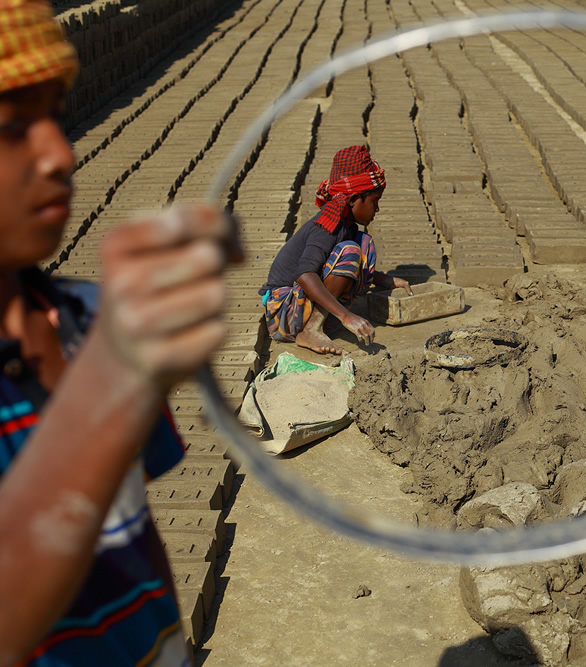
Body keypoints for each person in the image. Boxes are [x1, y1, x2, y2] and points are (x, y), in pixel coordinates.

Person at [0, 1, 241, 663]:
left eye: (53, 113)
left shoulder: (83, 317)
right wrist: (109, 381)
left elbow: (133, 537)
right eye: (12, 126)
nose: (59, 152)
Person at [259, 145, 411, 355]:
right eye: (375, 202)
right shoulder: (326, 227)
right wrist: (346, 316)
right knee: (350, 250)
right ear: (352, 200)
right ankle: (311, 330)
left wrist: (385, 280)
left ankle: (321, 321)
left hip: (300, 307)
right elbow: (304, 274)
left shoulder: (347, 226)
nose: (377, 209)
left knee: (362, 243)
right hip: (282, 315)